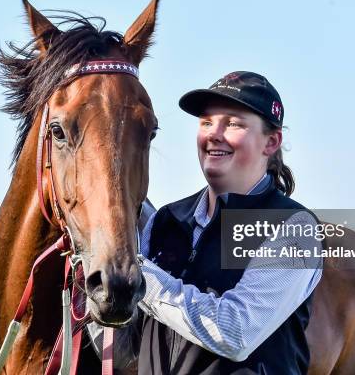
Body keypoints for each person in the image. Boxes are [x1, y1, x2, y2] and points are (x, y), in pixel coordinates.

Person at [90, 71, 322, 374]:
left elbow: (235, 332)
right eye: (207, 122)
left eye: (234, 123)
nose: (214, 133)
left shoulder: (294, 228)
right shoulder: (165, 220)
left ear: (271, 142)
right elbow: (127, 332)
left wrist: (138, 276)